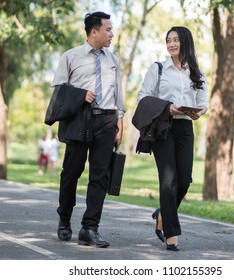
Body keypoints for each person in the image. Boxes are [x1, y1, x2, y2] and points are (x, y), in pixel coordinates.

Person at [51, 11, 125, 248]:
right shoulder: (71, 57)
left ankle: (89, 228)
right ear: (94, 32)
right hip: (79, 119)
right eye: (108, 29)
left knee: (100, 176)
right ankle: (64, 218)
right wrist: (81, 95)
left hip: (107, 119)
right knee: (71, 171)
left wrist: (119, 119)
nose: (112, 34)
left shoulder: (113, 60)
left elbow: (117, 93)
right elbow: (59, 91)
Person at [137, 26, 209, 251]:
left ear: (186, 42)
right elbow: (143, 97)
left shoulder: (196, 72)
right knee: (169, 181)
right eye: (168, 40)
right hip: (163, 128)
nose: (171, 44)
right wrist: (168, 108)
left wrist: (199, 111)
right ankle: (171, 234)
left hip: (186, 128)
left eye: (176, 40)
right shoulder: (158, 68)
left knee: (185, 180)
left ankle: (162, 214)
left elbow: (203, 100)